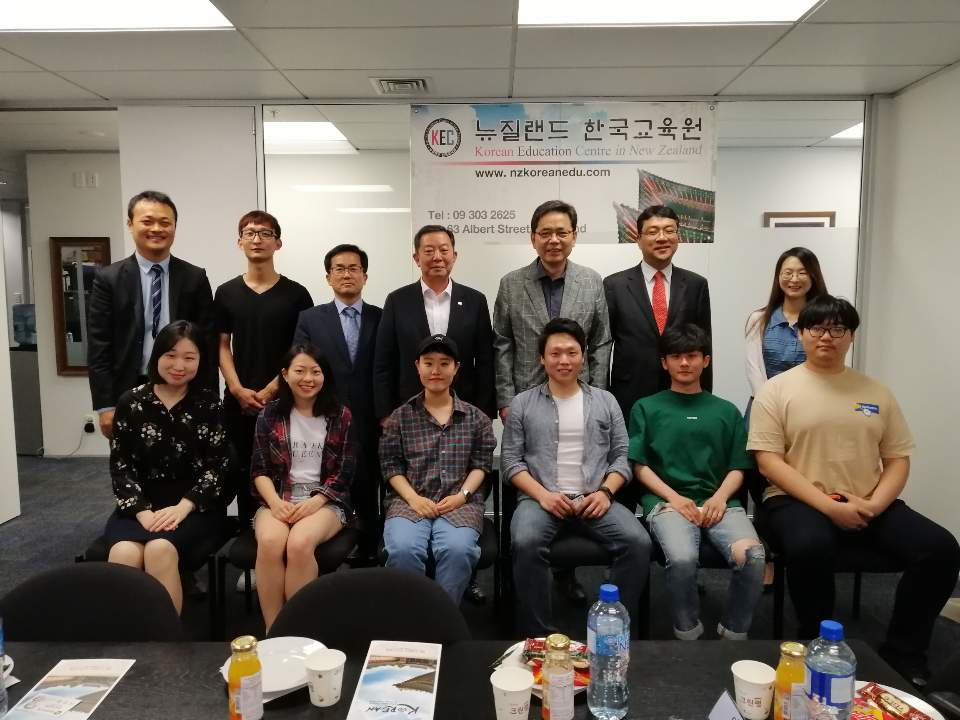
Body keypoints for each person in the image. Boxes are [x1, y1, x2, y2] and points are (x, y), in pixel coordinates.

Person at [748, 295, 960, 687]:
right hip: (796, 500)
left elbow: (897, 459)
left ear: (851, 337)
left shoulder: (876, 392)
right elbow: (769, 463)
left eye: (837, 329)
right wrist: (829, 508)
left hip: (867, 499)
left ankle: (904, 652)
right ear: (802, 334)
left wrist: (874, 505)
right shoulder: (776, 390)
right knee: (810, 545)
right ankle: (815, 643)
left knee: (941, 548)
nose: (826, 336)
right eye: (817, 328)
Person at [493, 199, 612, 603]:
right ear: (533, 238)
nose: (554, 240)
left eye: (562, 232)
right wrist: (506, 398)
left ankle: (566, 573)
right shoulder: (512, 283)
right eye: (545, 233)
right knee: (525, 479)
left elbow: (600, 342)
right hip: (526, 402)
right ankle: (520, 577)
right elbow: (503, 343)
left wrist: (595, 394)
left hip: (579, 396)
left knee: (575, 475)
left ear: (574, 237)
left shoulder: (591, 282)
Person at [502, 318, 651, 636]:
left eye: (572, 352)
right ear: (541, 359)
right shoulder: (522, 404)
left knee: (638, 542)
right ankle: (540, 635)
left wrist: (606, 493)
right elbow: (511, 462)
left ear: (583, 356)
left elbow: (622, 456)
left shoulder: (606, 401)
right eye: (555, 353)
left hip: (594, 498)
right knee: (525, 541)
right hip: (540, 500)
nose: (564, 360)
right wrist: (543, 495)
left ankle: (611, 629)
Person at [628, 324, 763, 640]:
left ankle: (734, 634)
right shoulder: (646, 407)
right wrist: (674, 499)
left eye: (692, 356)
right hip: (667, 504)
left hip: (720, 503)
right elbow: (639, 466)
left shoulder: (726, 411)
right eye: (676, 356)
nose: (685, 363)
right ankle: (687, 632)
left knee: (754, 558)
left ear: (706, 360)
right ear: (664, 363)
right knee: (683, 559)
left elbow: (738, 466)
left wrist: (719, 498)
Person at [105, 320, 228, 614]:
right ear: (157, 355)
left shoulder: (209, 404)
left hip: (194, 507)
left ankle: (165, 637)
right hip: (141, 505)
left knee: (159, 549)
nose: (179, 366)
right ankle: (126, 636)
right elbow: (120, 466)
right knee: (123, 553)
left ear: (200, 361)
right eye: (171, 355)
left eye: (189, 357)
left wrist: (183, 507)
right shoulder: (131, 402)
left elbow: (218, 467)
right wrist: (142, 512)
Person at [88, 190, 216, 439]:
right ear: (130, 224)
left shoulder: (194, 277)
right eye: (147, 221)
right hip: (128, 390)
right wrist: (105, 406)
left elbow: (207, 343)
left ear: (175, 227)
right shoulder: (109, 279)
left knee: (187, 458)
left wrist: (209, 399)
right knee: (133, 460)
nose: (157, 229)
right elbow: (99, 346)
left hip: (184, 389)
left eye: (165, 222)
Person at [378, 334, 496, 604]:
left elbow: (481, 464)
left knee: (458, 550)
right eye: (428, 363)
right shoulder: (400, 417)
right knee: (403, 550)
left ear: (456, 368)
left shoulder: (476, 418)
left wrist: (462, 496)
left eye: (444, 363)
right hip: (409, 501)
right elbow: (390, 465)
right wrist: (413, 499)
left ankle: (443, 618)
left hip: (460, 503)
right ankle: (414, 618)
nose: (436, 371)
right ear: (417, 366)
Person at [214, 210, 313, 531]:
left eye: (265, 233)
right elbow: (222, 345)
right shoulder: (226, 292)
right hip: (239, 400)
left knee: (284, 468)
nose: (257, 239)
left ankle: (287, 530)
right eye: (250, 233)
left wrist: (273, 388)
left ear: (278, 243)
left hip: (285, 398)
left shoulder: (297, 294)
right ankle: (250, 537)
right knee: (243, 468)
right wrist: (235, 388)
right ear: (239, 242)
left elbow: (301, 351)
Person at [251, 344, 355, 632]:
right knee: (270, 542)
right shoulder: (269, 415)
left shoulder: (340, 415)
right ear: (285, 375)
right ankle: (274, 632)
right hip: (278, 497)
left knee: (299, 543)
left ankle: (297, 632)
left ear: (324, 376)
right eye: (300, 371)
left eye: (315, 372)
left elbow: (344, 472)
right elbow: (259, 470)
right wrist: (275, 503)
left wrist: (316, 501)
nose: (308, 378)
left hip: (326, 500)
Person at [295, 243, 381, 562]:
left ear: (365, 276)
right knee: (328, 484)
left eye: (353, 268)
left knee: (369, 484)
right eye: (339, 269)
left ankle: (370, 550)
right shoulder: (310, 318)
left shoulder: (381, 317)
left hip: (371, 417)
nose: (347, 274)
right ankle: (327, 548)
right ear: (328, 277)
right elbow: (301, 366)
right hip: (324, 417)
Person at [374, 225, 496, 421]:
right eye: (429, 251)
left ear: (454, 256)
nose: (437, 257)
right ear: (416, 258)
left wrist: (483, 413)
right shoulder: (397, 300)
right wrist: (386, 414)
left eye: (444, 250)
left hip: (464, 412)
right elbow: (384, 362)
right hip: (409, 411)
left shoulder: (475, 300)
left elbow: (485, 362)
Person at [604, 204, 712, 419]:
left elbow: (704, 343)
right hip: (629, 394)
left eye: (669, 230)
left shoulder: (696, 284)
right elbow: (603, 346)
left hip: (682, 393)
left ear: (677, 237)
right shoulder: (614, 285)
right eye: (653, 232)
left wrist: (704, 395)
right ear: (638, 239)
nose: (662, 238)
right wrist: (601, 396)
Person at [745, 247, 827, 412]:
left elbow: (827, 367)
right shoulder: (758, 319)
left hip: (810, 408)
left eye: (802, 273)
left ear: (813, 276)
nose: (794, 279)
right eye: (788, 273)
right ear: (778, 277)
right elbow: (754, 369)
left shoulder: (824, 322)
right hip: (765, 407)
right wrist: (770, 405)